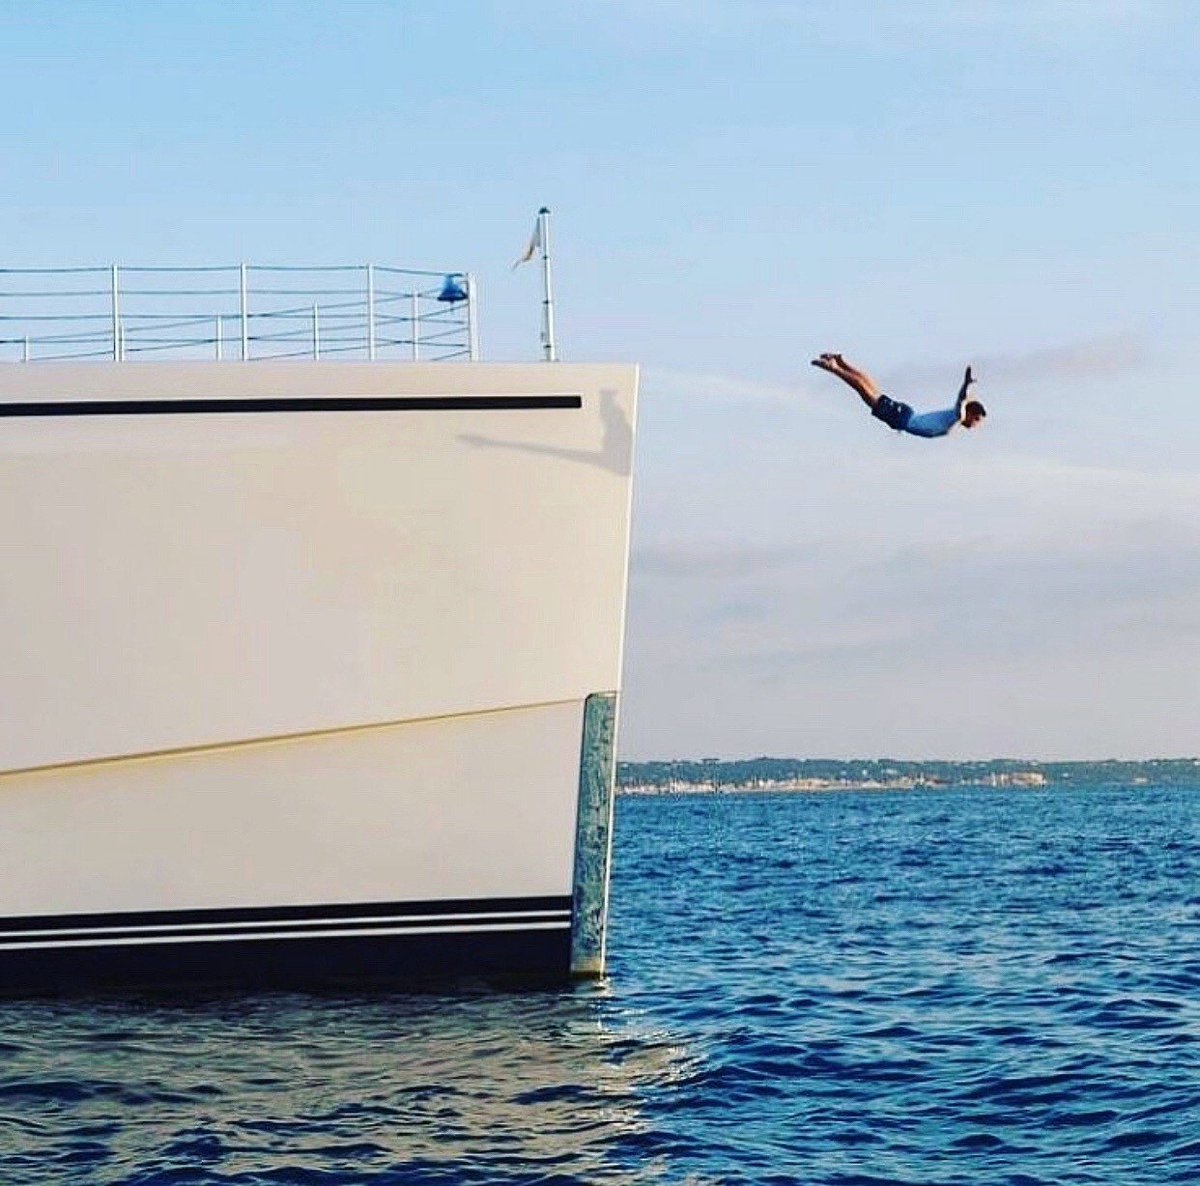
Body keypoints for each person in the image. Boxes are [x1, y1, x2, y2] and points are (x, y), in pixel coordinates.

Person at [811, 353, 986, 437]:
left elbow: (964, 401)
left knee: (872, 390)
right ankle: (835, 367)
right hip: (903, 419)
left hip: (906, 415)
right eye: (977, 419)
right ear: (970, 413)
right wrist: (965, 385)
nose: (976, 424)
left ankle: (842, 363)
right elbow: (962, 401)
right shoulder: (958, 416)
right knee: (864, 390)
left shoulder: (955, 418)